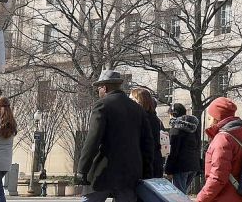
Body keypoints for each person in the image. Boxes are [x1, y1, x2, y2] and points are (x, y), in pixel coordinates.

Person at [77, 70, 154, 202]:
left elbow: (93, 140)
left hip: (104, 171)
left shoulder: (102, 105)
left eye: (99, 88)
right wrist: (147, 171)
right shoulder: (137, 109)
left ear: (105, 87)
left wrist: (82, 169)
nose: (98, 91)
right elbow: (148, 143)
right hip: (130, 173)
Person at [198, 96, 242, 202]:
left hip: (225, 197)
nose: (208, 121)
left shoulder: (223, 139)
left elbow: (218, 177)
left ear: (215, 118)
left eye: (209, 117)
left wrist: (201, 198)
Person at [164, 102, 200, 194]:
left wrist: (168, 170)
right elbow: (197, 146)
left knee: (179, 195)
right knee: (183, 193)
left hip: (180, 166)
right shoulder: (194, 127)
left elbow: (173, 151)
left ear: (172, 114)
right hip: (193, 165)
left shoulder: (176, 128)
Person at [130, 87, 164, 178]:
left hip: (145, 164)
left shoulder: (142, 118)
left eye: (132, 99)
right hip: (153, 162)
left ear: (139, 101)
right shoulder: (153, 117)